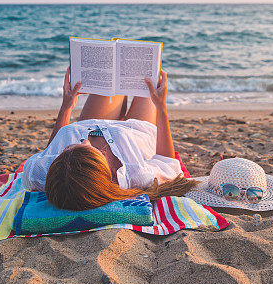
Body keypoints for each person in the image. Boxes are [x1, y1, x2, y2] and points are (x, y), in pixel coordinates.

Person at [21, 67, 199, 210]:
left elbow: (51, 149)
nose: (85, 140)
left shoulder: (40, 173)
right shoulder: (135, 175)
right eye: (88, 148)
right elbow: (168, 162)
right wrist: (161, 107)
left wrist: (67, 106)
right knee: (147, 78)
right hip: (137, 129)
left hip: (90, 121)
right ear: (102, 165)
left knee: (109, 73)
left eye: (68, 148)